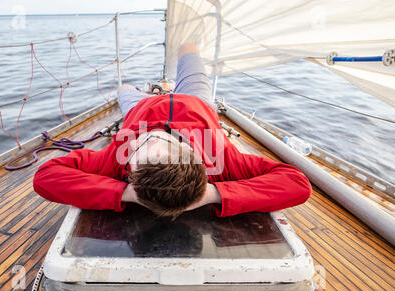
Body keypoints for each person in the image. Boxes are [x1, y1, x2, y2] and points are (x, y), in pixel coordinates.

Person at [33, 43, 312, 218]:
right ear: (191, 151)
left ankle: (151, 88)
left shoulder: (116, 161)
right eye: (154, 139)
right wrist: (213, 194)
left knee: (123, 90)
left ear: (130, 171)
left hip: (141, 107)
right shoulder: (222, 159)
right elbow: (296, 183)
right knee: (189, 49)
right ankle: (180, 53)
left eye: (138, 148)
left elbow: (46, 177)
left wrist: (126, 194)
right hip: (197, 102)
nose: (141, 138)